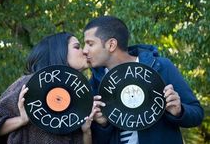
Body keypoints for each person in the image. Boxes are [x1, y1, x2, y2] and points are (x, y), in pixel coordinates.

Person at [82, 16, 204, 144]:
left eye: (90, 44)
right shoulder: (95, 83)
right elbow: (97, 138)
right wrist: (103, 125)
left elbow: (197, 114)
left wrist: (179, 111)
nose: (84, 50)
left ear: (111, 45)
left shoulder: (161, 67)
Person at [0, 32, 94, 144]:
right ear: (59, 51)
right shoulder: (29, 84)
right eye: (77, 47)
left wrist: (86, 132)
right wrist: (21, 120)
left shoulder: (80, 94)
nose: (84, 51)